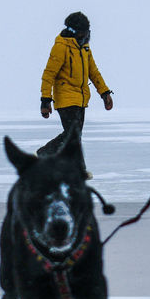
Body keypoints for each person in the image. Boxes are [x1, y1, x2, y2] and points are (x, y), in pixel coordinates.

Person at [38, 11, 113, 177]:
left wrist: (104, 92)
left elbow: (93, 71)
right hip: (65, 97)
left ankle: (47, 152)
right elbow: (49, 74)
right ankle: (78, 170)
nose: (86, 35)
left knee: (73, 135)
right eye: (82, 32)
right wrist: (45, 100)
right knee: (74, 135)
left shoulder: (85, 48)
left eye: (87, 32)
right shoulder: (61, 47)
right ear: (73, 31)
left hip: (81, 98)